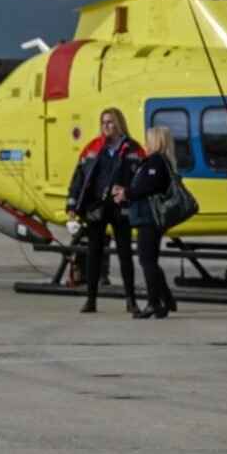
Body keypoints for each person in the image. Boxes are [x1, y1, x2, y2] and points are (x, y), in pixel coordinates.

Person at [66, 107, 145, 314]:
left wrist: (132, 194)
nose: (106, 126)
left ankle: (131, 299)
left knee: (125, 254)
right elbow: (79, 178)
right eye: (103, 123)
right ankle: (90, 300)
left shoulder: (133, 149)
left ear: (119, 123)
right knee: (94, 254)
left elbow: (142, 180)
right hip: (97, 207)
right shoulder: (93, 148)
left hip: (121, 207)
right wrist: (72, 204)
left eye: (110, 122)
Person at [112, 126, 179, 319]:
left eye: (148, 140)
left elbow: (148, 187)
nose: (145, 144)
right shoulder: (156, 162)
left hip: (148, 217)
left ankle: (154, 302)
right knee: (150, 260)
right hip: (146, 216)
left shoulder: (155, 162)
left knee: (146, 260)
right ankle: (165, 299)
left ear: (156, 142)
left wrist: (127, 193)